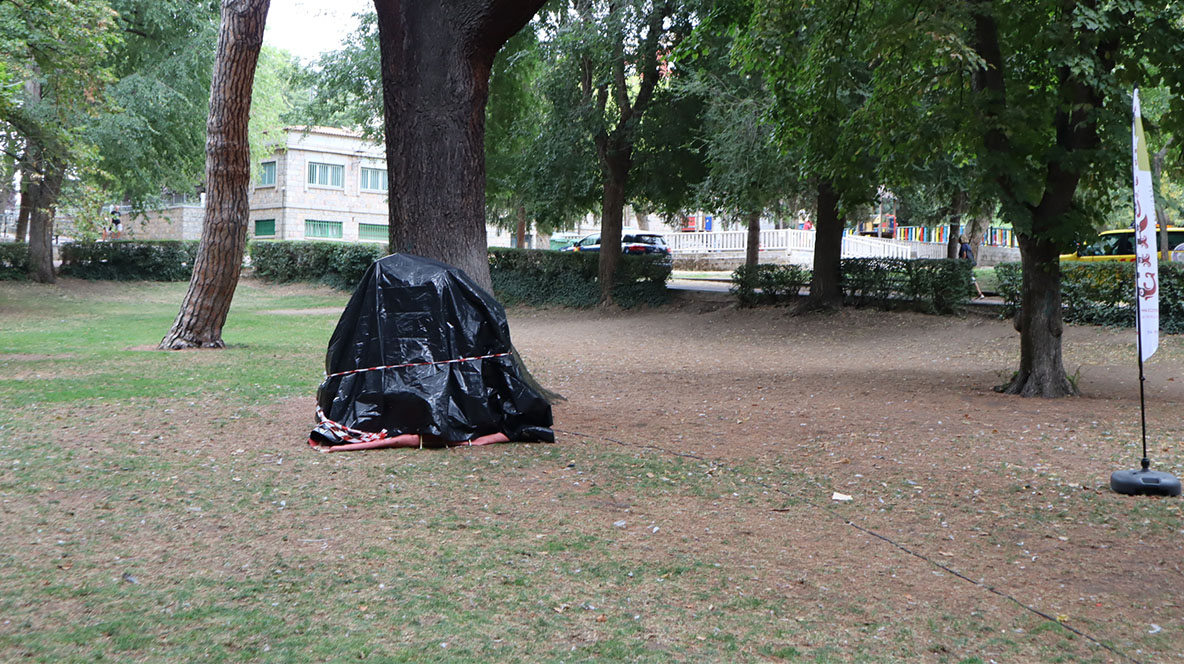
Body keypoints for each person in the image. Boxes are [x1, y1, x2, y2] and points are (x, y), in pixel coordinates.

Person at [958, 235, 985, 299]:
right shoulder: (968, 246)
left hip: (966, 265)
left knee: (965, 278)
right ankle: (979, 293)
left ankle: (978, 293)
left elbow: (964, 254)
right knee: (970, 278)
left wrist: (962, 262)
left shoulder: (963, 246)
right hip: (969, 264)